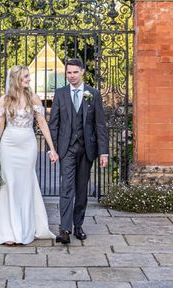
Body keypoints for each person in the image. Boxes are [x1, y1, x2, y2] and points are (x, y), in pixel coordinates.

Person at [0, 65, 59, 245]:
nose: (29, 79)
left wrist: (52, 148)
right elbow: (0, 125)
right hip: (9, 145)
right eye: (25, 77)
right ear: (16, 78)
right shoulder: (5, 100)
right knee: (9, 184)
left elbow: (42, 123)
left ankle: (24, 228)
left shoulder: (34, 98)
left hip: (28, 145)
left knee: (25, 184)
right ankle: (8, 231)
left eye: (28, 76)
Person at [49, 58, 108, 244]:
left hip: (87, 149)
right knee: (66, 188)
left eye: (75, 72)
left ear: (82, 71)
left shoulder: (93, 94)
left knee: (82, 190)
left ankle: (78, 226)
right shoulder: (60, 94)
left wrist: (103, 152)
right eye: (68, 72)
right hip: (66, 149)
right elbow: (54, 124)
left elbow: (100, 125)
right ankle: (64, 229)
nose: (72, 76)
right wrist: (54, 149)